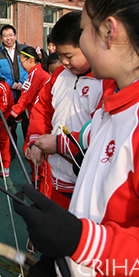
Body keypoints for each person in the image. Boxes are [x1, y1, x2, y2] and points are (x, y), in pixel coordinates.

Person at [15, 0, 139, 277]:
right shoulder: (113, 101)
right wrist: (64, 259)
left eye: (83, 29)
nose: (79, 43)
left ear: (109, 32)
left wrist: (81, 242)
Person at [26, 11, 114, 210]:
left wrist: (60, 144)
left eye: (69, 55)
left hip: (82, 178)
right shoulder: (58, 74)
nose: (64, 62)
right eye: (60, 55)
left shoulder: (105, 81)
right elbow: (42, 109)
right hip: (51, 172)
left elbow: (100, 132)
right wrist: (35, 140)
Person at [8, 46, 51, 183]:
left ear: (31, 60)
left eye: (22, 62)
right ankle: (37, 180)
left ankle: (40, 181)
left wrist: (13, 114)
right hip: (35, 116)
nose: (21, 65)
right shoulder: (35, 73)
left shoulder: (37, 74)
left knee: (33, 151)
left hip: (41, 118)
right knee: (31, 150)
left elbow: (26, 97)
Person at [0, 25, 29, 157]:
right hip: (8, 94)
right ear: (1, 38)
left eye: (11, 35)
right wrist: (12, 84)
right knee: (9, 126)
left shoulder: (25, 50)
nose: (8, 38)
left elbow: (32, 67)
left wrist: (22, 82)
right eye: (5, 36)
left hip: (25, 93)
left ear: (15, 36)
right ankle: (11, 154)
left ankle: (30, 151)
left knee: (28, 124)